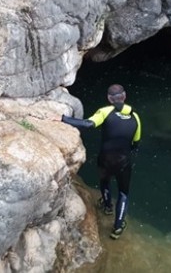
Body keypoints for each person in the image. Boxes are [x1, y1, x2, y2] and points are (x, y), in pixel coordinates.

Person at [60, 84, 141, 239]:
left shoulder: (105, 111)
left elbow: (88, 124)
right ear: (124, 97)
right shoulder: (135, 116)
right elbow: (135, 143)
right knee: (124, 193)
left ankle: (107, 206)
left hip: (106, 158)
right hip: (123, 161)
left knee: (104, 182)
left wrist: (63, 119)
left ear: (109, 98)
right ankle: (117, 227)